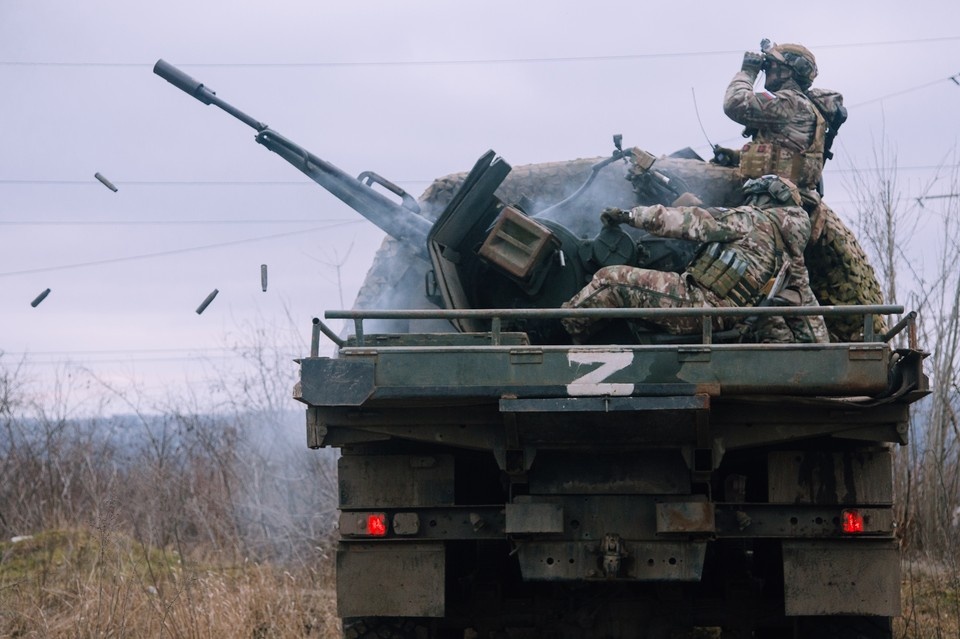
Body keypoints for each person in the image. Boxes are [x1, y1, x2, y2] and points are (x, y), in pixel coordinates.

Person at [720, 40, 886, 342]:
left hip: (778, 211)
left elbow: (734, 104)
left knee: (790, 289)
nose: (766, 69)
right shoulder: (801, 108)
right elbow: (784, 157)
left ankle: (822, 357)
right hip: (785, 207)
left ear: (788, 71)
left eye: (771, 65)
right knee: (776, 288)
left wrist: (747, 71)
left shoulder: (789, 103)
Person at [561, 176, 828, 344]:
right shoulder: (793, 261)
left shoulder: (752, 220)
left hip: (699, 305)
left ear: (764, 198)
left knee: (610, 281)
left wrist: (630, 216)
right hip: (724, 321)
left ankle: (558, 334)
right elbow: (810, 320)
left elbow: (690, 222)